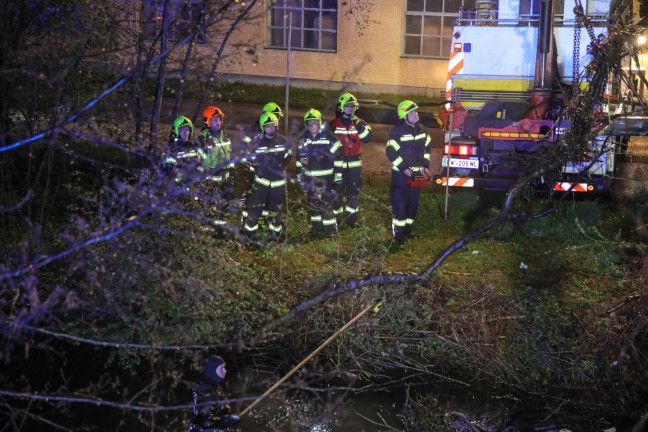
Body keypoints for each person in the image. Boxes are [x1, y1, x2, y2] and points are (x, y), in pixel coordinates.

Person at [241, 112, 292, 243]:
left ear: (276, 126)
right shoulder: (257, 142)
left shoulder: (283, 141)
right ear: (263, 127)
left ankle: (275, 236)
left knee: (277, 210)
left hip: (278, 183)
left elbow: (288, 155)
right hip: (261, 182)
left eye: (272, 126)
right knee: (255, 208)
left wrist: (279, 164)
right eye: (267, 126)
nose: (270, 129)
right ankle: (250, 235)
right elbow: (251, 158)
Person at [386, 100, 431, 245]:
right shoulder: (398, 132)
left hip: (416, 175)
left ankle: (407, 231)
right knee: (400, 204)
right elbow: (390, 151)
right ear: (404, 116)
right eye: (412, 112)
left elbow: (427, 147)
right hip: (400, 176)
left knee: (413, 204)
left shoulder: (422, 130)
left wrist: (425, 164)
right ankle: (398, 236)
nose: (415, 114)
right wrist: (404, 168)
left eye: (415, 111)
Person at [329, 92, 373, 228]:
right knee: (337, 193)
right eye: (348, 106)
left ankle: (351, 221)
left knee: (353, 194)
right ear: (341, 107)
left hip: (355, 165)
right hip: (339, 165)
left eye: (353, 106)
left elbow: (367, 138)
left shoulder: (360, 123)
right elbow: (325, 144)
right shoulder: (333, 124)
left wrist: (358, 125)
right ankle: (336, 220)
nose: (351, 108)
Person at [296, 108, 343, 237]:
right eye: (310, 124)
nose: (312, 126)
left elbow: (338, 157)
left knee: (326, 204)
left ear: (320, 122)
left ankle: (331, 231)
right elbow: (299, 159)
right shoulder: (303, 139)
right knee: (313, 204)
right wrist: (300, 175)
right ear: (306, 125)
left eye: (315, 123)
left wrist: (337, 175)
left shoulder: (329, 137)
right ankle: (316, 228)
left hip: (325, 178)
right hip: (310, 179)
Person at [197, 105, 234, 236]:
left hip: (225, 176)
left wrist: (231, 170)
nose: (218, 122)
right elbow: (201, 158)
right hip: (211, 178)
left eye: (219, 119)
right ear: (207, 121)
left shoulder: (224, 135)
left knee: (224, 204)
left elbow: (229, 153)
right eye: (214, 120)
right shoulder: (203, 138)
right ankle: (205, 232)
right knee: (209, 204)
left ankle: (221, 231)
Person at [190, 355, 240, 431]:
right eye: (221, 368)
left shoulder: (212, 383)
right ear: (212, 370)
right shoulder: (204, 393)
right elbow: (205, 423)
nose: (225, 370)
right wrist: (227, 420)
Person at [161, 116, 205, 187]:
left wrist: (199, 170)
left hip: (193, 185)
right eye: (182, 129)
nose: (186, 132)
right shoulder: (172, 147)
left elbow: (201, 162)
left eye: (188, 129)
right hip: (176, 186)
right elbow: (166, 166)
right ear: (176, 130)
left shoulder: (192, 147)